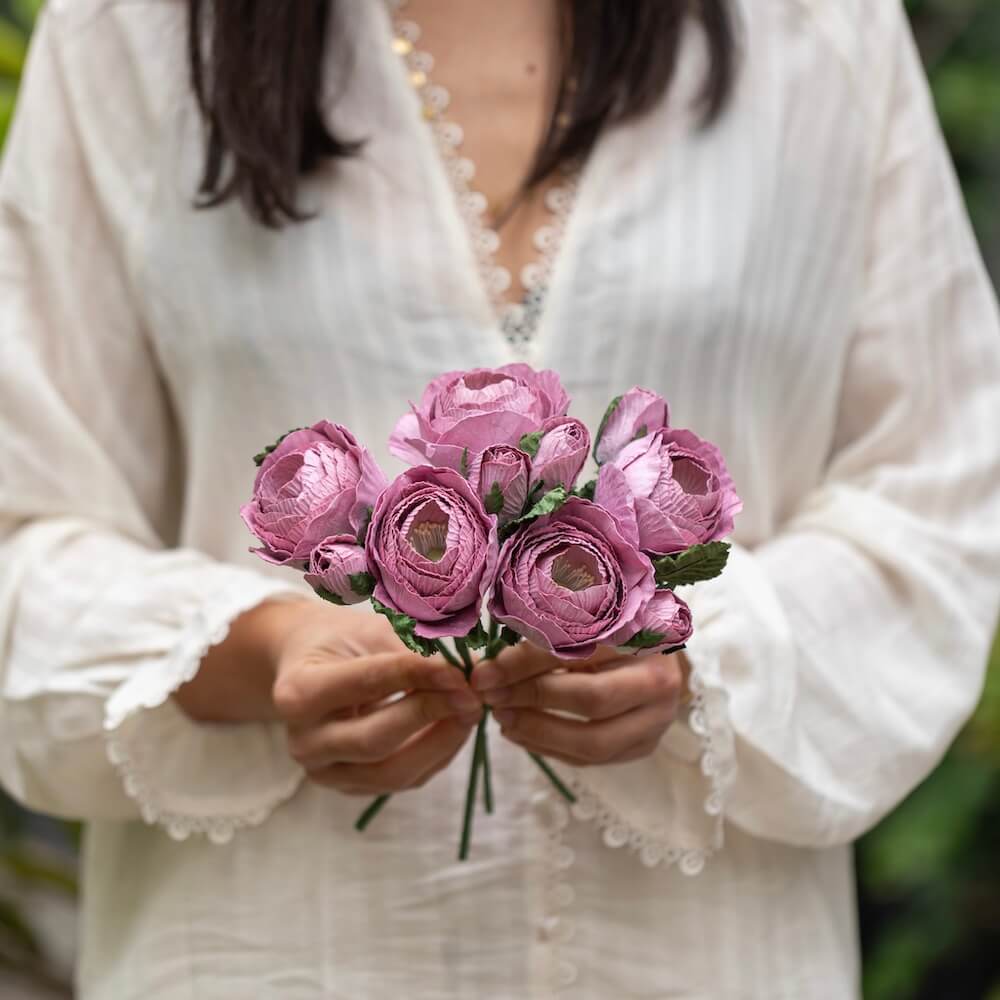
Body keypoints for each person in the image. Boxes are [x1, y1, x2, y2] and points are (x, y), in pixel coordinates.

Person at [1, 0, 998, 996]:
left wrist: (699, 649)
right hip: (269, 952)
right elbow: (23, 533)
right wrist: (261, 651)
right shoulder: (131, 32)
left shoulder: (817, 32)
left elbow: (942, 494)